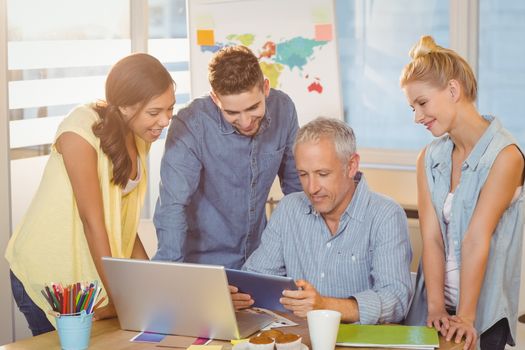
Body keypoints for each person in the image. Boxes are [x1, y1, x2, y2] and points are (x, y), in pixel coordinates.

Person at [5, 53, 176, 335]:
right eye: (155, 112)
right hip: (50, 273)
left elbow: (124, 226)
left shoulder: (139, 135)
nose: (165, 121)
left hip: (89, 278)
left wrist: (151, 289)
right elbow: (92, 220)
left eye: (170, 109)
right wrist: (124, 301)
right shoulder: (79, 130)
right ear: (124, 106)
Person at [401, 36, 525, 350]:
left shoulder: (506, 157)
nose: (417, 116)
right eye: (412, 107)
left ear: (453, 90)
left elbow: (476, 238)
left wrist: (466, 318)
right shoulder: (428, 158)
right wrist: (435, 307)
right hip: (436, 311)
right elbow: (430, 238)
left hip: (480, 316)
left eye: (422, 103)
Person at [230, 117, 413, 324]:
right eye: (303, 174)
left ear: (351, 165)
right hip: (300, 339)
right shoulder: (289, 209)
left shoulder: (386, 215)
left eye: (322, 174)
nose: (312, 188)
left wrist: (324, 306)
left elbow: (395, 301)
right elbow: (255, 277)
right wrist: (237, 294)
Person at [153, 45, 302, 268]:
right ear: (215, 98)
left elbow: (297, 191)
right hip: (203, 267)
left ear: (266, 88)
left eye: (253, 108)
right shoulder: (191, 124)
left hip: (261, 261)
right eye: (232, 112)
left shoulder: (284, 109)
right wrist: (171, 275)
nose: (245, 122)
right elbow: (172, 206)